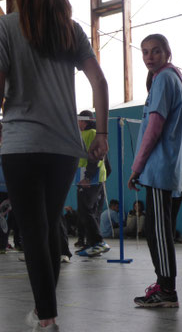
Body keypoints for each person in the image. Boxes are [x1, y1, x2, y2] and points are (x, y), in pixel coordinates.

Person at [0, 0, 109, 331]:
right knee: (50, 225)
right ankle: (44, 312)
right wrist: (100, 134)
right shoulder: (71, 31)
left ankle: (48, 316)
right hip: (63, 148)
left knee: (35, 231)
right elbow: (99, 81)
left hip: (21, 146)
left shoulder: (4, 26)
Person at [128, 34, 182, 308]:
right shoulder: (166, 78)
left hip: (157, 168)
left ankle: (167, 290)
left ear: (167, 52)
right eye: (144, 52)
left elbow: (153, 130)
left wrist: (136, 167)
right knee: (156, 230)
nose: (149, 56)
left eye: (155, 51)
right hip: (161, 168)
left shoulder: (164, 79)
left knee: (159, 232)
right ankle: (163, 285)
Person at [75, 110, 111, 257]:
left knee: (85, 211)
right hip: (97, 178)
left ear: (84, 121)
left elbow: (93, 157)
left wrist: (88, 177)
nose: (76, 123)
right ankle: (92, 245)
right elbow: (107, 164)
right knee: (92, 211)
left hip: (89, 178)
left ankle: (98, 242)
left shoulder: (90, 134)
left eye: (78, 120)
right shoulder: (95, 135)